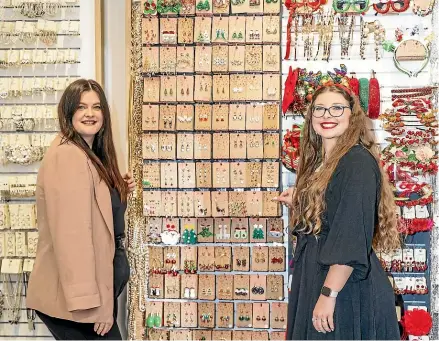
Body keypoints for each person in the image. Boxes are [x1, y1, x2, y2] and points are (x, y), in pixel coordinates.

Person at [275, 84, 401, 340]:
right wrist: (303, 200)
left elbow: (350, 234)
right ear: (311, 117)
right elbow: (333, 207)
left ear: (351, 115)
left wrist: (328, 295)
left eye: (336, 108)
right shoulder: (324, 162)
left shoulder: (356, 162)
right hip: (321, 278)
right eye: (319, 109)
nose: (326, 115)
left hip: (345, 289)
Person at [27, 79, 135, 340]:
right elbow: (72, 237)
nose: (90, 113)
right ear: (68, 113)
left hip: (94, 291)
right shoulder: (69, 157)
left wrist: (117, 190)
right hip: (82, 302)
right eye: (81, 107)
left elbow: (95, 215)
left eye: (96, 107)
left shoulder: (86, 155)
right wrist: (93, 305)